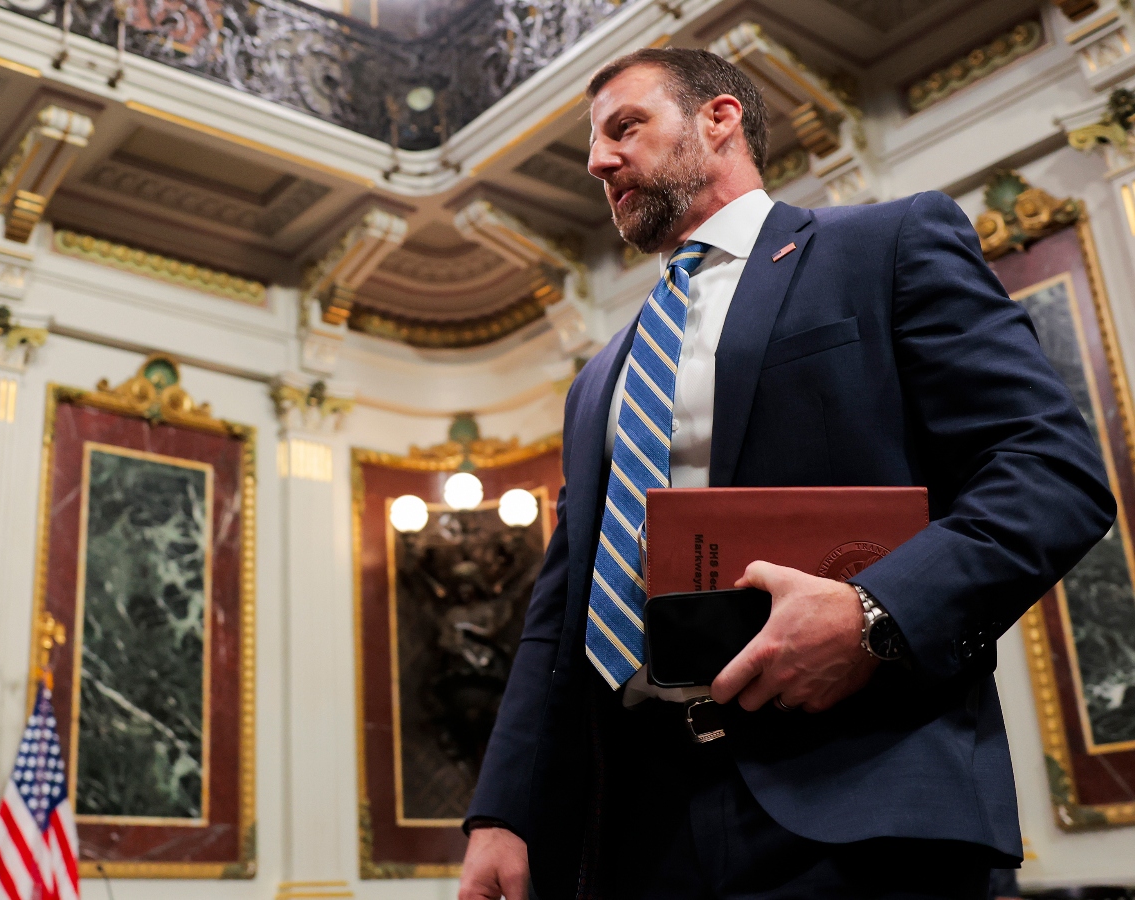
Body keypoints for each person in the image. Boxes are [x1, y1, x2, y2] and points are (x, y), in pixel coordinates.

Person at [458, 47, 1115, 900]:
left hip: (857, 805)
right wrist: (503, 812)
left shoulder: (886, 245)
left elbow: (1050, 469)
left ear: (719, 119)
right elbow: (558, 614)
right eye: (596, 144)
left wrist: (872, 616)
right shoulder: (598, 381)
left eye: (626, 127)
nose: (598, 161)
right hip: (634, 830)